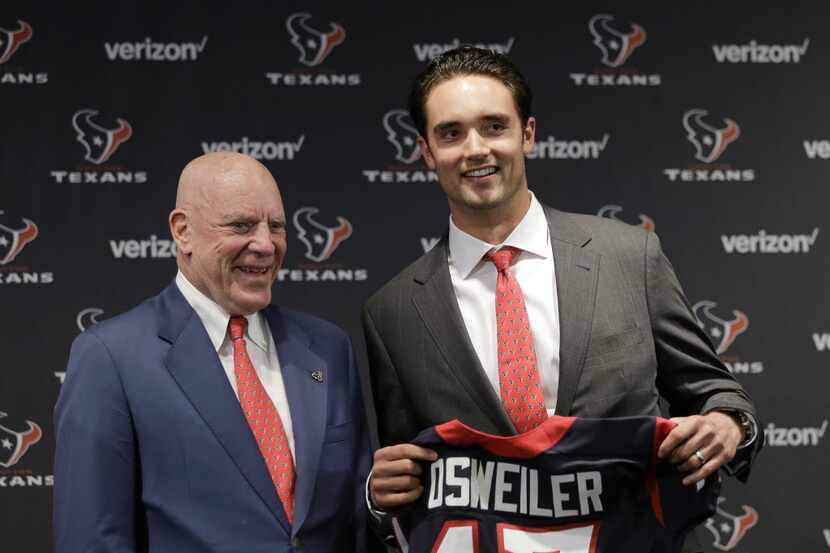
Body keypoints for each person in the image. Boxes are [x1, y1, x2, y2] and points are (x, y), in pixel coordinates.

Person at [362, 47, 761, 550]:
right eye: (451, 133)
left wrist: (727, 424)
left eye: (494, 126)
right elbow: (407, 489)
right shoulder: (392, 312)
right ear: (425, 151)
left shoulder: (628, 256)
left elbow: (715, 392)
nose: (476, 148)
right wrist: (380, 500)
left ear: (526, 134)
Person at [54, 152, 370, 553]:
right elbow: (92, 539)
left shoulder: (328, 348)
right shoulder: (109, 357)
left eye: (276, 226)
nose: (265, 245)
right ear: (183, 231)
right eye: (241, 225)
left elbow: (357, 518)